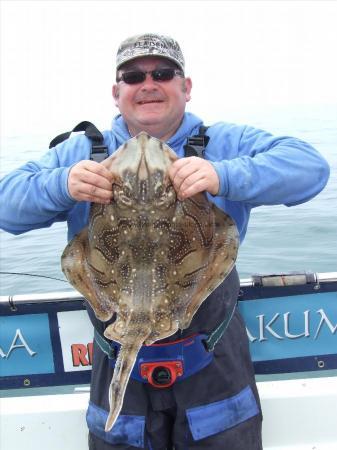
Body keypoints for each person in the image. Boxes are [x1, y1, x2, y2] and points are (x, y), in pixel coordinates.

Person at [0, 33, 330, 450]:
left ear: (185, 87)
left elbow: (311, 168)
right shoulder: (80, 151)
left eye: (163, 73)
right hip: (116, 348)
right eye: (134, 76)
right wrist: (62, 184)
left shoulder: (222, 143)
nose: (148, 83)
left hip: (213, 358)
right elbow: (5, 206)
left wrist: (222, 176)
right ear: (117, 92)